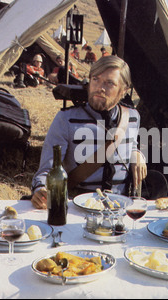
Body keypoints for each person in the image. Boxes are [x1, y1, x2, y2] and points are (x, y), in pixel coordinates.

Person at [31, 55, 147, 209]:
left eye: (109, 83)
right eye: (96, 79)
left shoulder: (132, 117)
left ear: (124, 90)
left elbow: (129, 145)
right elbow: (47, 169)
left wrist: (137, 154)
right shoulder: (66, 119)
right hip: (77, 207)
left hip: (121, 207)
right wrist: (41, 189)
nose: (100, 88)